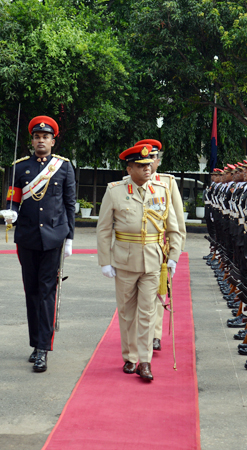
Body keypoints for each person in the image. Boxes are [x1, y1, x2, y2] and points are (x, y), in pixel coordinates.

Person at [97, 144, 182, 381]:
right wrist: (105, 260)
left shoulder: (162, 190)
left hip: (153, 261)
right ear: (130, 168)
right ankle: (130, 357)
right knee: (127, 313)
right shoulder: (115, 191)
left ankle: (145, 361)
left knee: (147, 312)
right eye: (141, 166)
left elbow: (173, 227)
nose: (148, 169)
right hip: (124, 260)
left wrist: (174, 256)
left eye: (149, 165)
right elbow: (103, 229)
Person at [3, 115, 76, 373]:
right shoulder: (20, 167)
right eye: (37, 137)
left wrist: (69, 237)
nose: (40, 141)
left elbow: (69, 205)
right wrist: (11, 212)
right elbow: (13, 198)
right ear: (32, 140)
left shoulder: (64, 167)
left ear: (53, 141)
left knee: (47, 292)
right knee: (31, 292)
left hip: (54, 238)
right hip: (27, 238)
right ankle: (35, 343)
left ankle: (43, 348)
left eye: (45, 137)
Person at [136, 139, 186, 352]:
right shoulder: (128, 182)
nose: (151, 161)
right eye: (147, 158)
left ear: (158, 161)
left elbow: (177, 222)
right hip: (134, 248)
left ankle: (154, 335)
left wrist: (175, 252)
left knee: (157, 293)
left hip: (158, 248)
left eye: (154, 157)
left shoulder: (168, 183)